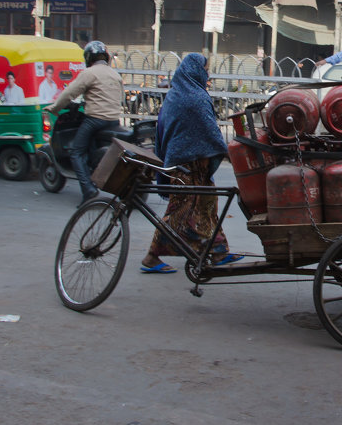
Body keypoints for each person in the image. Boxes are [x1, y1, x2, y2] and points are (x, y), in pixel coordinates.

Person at [141, 53, 242, 273]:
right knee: (180, 211)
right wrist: (229, 153)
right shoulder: (196, 97)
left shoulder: (176, 94)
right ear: (196, 70)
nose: (208, 74)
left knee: (206, 205)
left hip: (188, 163)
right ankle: (151, 257)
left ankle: (218, 251)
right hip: (188, 166)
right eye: (206, 69)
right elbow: (210, 132)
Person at [45, 40, 124, 204]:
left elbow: (69, 93)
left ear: (88, 57)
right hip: (114, 121)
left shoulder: (89, 73)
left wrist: (54, 108)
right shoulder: (115, 75)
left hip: (95, 120)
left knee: (76, 152)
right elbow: (118, 98)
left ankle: (88, 189)